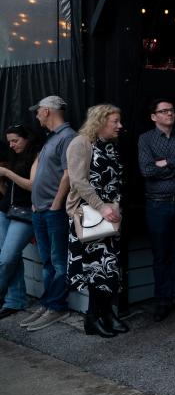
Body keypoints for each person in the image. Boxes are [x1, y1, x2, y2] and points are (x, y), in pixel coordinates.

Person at [65, 104, 126, 338]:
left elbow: (116, 180)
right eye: (115, 122)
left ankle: (107, 314)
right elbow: (79, 182)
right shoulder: (80, 143)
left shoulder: (110, 146)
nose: (120, 126)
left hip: (110, 217)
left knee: (109, 270)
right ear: (100, 122)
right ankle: (92, 319)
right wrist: (102, 208)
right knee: (95, 270)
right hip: (90, 216)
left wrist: (114, 207)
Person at [19, 95, 77, 332]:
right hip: (40, 210)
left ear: (47, 111)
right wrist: (36, 204)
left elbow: (68, 174)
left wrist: (55, 204)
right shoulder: (52, 138)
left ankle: (56, 306)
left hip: (54, 212)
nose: (36, 116)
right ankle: (48, 302)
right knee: (48, 262)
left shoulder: (67, 137)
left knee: (58, 261)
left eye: (38, 111)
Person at [138, 98, 175, 321]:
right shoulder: (146, 139)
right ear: (154, 116)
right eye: (164, 111)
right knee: (161, 254)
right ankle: (162, 300)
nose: (170, 113)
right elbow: (147, 171)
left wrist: (165, 162)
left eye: (172, 110)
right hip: (157, 203)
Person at [0, 125, 40, 319]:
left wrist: (7, 173)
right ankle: (15, 300)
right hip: (4, 209)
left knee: (6, 258)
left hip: (25, 213)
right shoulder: (13, 155)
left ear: (26, 138)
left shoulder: (36, 155)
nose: (12, 144)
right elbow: (8, 189)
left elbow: (32, 186)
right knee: (9, 257)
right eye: (9, 141)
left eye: (15, 140)